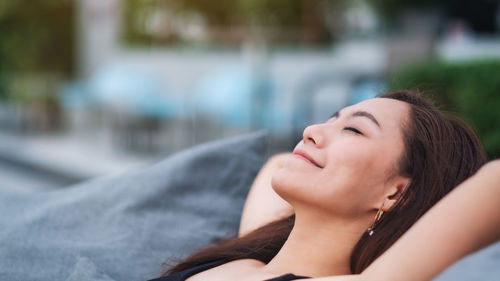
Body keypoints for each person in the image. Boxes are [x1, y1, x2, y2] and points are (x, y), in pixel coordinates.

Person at [149, 90, 500, 281]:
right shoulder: (255, 250)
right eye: (332, 118)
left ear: (396, 192)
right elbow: (276, 165)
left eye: (354, 129)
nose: (311, 131)